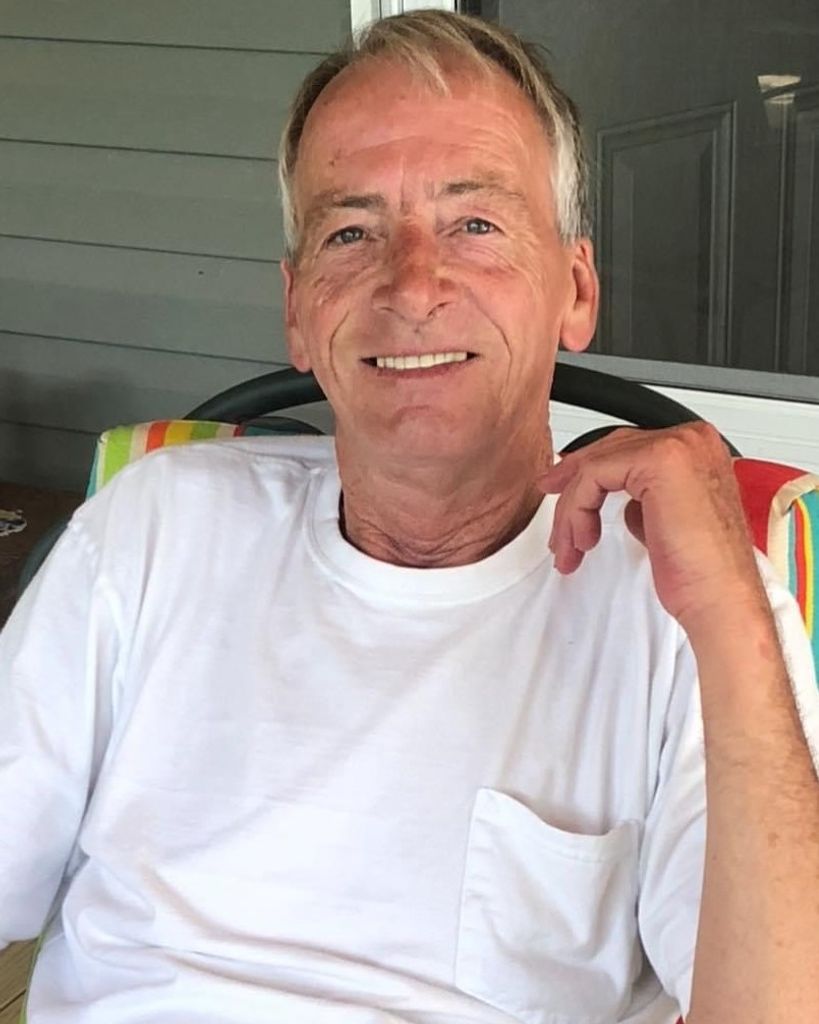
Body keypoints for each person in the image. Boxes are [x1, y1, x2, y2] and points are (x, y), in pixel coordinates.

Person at [1, 10, 817, 1024]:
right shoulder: (153, 529)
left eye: (475, 225)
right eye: (351, 233)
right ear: (298, 311)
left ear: (574, 289)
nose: (413, 283)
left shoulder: (690, 610)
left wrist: (730, 620)